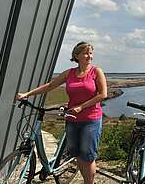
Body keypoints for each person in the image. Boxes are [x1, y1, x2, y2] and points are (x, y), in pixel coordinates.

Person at [16, 41, 107, 184]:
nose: (89, 56)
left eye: (90, 53)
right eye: (85, 53)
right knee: (77, 154)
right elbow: (51, 85)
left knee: (87, 157)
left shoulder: (96, 72)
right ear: (77, 55)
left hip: (91, 119)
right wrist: (28, 93)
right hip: (72, 119)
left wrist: (82, 107)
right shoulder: (69, 73)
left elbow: (102, 95)